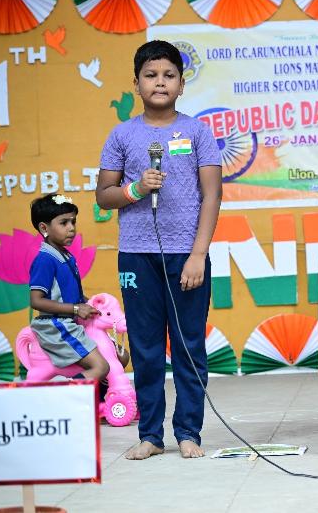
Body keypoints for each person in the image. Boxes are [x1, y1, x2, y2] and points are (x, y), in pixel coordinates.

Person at [95, 40, 222, 460]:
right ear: (136, 83)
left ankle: (189, 432)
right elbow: (104, 195)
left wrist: (198, 254)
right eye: (151, 75)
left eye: (169, 75)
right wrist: (135, 188)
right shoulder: (122, 134)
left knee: (188, 346)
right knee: (147, 348)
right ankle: (150, 434)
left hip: (188, 255)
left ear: (182, 84)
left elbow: (212, 195)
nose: (160, 82)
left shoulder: (198, 131)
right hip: (137, 255)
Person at [29, 194, 108, 383]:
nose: (71, 228)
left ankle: (100, 400)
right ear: (44, 228)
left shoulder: (64, 255)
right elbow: (36, 301)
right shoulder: (45, 260)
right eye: (64, 223)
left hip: (70, 321)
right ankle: (67, 399)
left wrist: (88, 303)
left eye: (73, 221)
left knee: (117, 355)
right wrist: (75, 309)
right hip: (57, 325)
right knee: (101, 366)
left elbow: (69, 293)